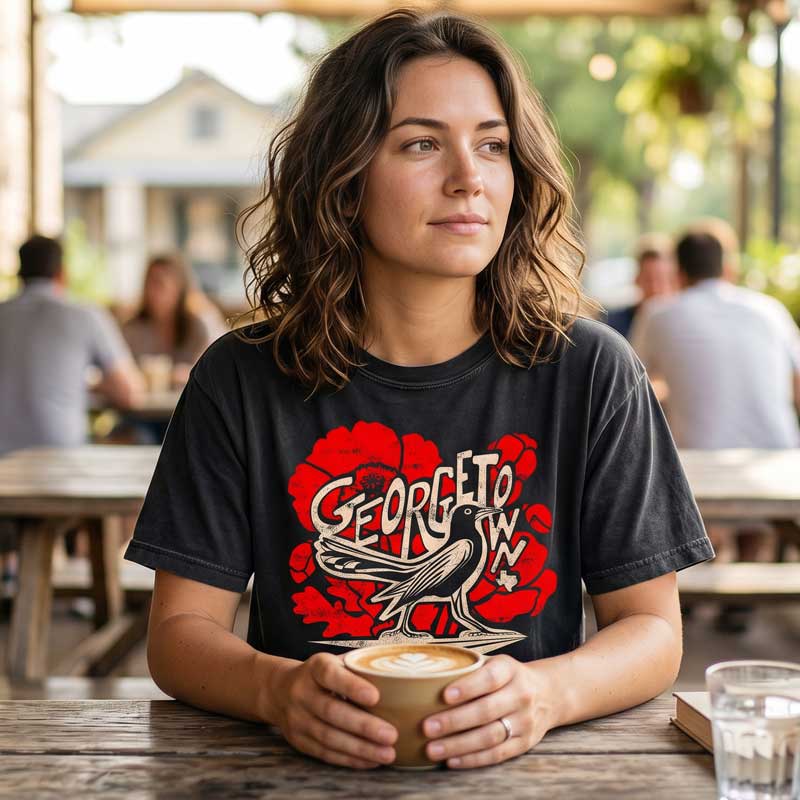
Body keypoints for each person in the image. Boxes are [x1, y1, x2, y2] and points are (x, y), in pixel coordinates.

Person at [125, 10, 713, 771]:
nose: (469, 176)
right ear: (343, 177)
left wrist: (548, 694)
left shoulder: (593, 371)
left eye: (493, 145)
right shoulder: (240, 376)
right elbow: (179, 635)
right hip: (297, 776)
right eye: (422, 143)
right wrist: (276, 692)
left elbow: (653, 630)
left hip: (529, 773)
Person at [631, 230, 800, 630]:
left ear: (679, 270)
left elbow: (634, 389)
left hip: (697, 459)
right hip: (778, 458)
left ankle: (684, 588)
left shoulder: (659, 313)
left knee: (677, 465)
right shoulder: (769, 309)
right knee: (756, 490)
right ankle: (739, 591)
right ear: (729, 265)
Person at [0, 235, 143, 603]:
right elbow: (129, 393)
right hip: (60, 464)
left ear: (19, 271)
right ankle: (93, 588)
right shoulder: (84, 315)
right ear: (62, 273)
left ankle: (11, 574)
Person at [122, 253, 227, 388]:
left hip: (193, 401)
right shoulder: (133, 330)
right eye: (149, 283)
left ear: (180, 288)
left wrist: (186, 374)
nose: (153, 292)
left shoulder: (201, 324)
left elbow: (219, 368)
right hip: (144, 405)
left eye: (160, 283)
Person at [605, 233, 677, 339]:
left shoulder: (681, 324)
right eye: (648, 279)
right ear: (637, 279)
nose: (655, 288)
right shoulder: (614, 324)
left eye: (661, 279)